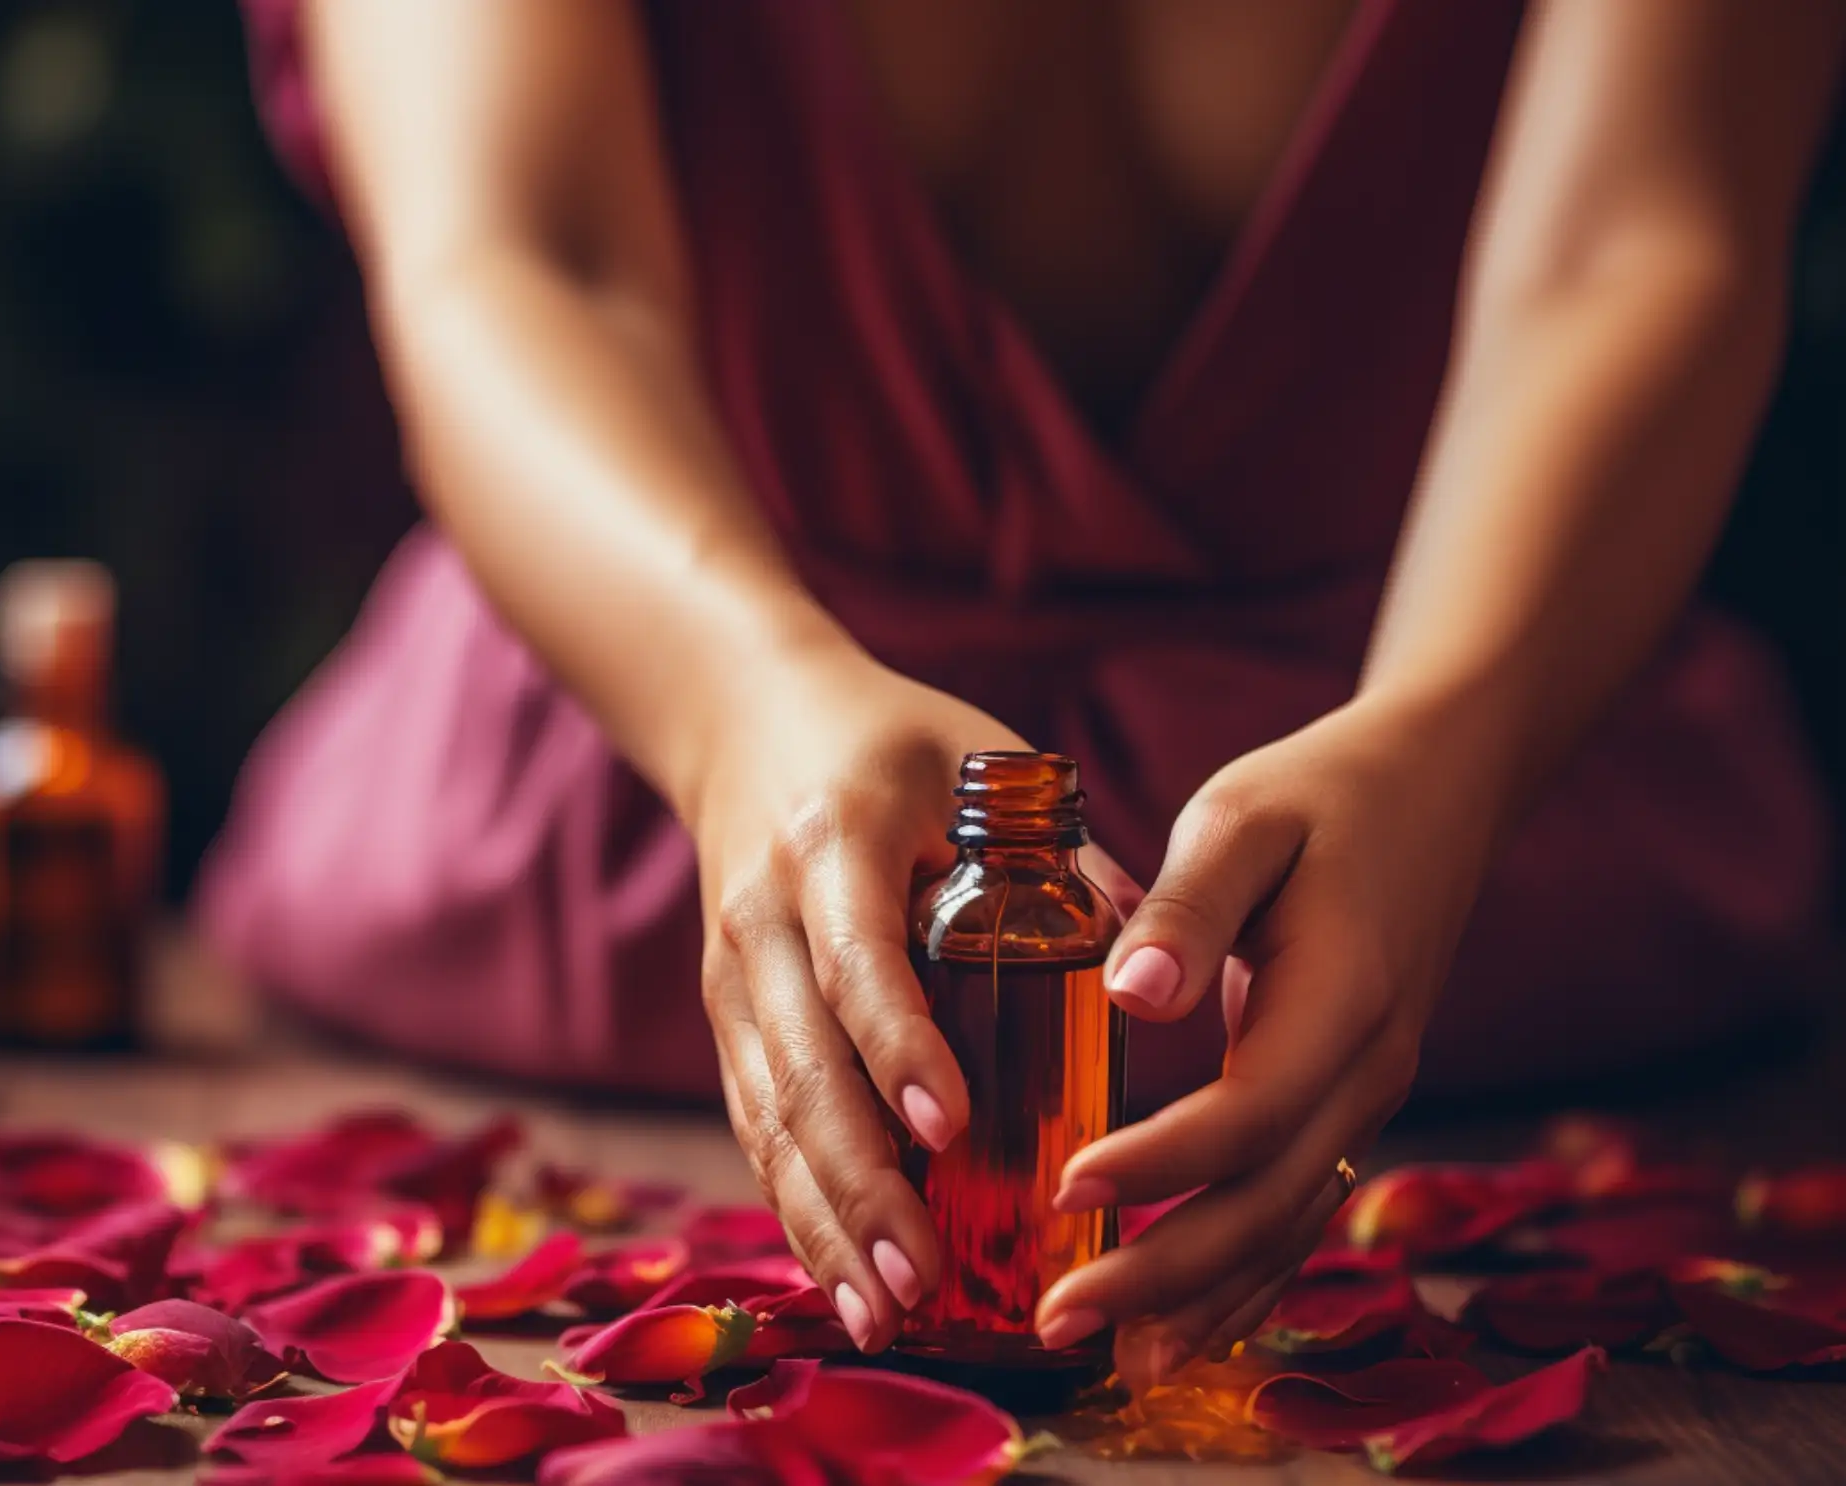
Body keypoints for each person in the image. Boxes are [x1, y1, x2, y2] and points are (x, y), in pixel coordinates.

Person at [198, 0, 1845, 1367]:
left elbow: (1645, 243)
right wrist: (737, 704)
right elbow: (519, 257)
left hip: (1485, 793)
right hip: (651, 744)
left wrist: (1445, 739)